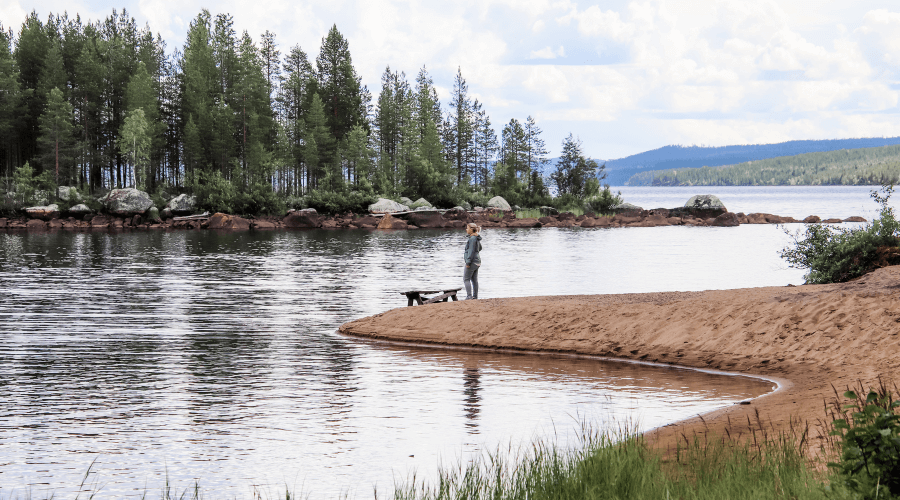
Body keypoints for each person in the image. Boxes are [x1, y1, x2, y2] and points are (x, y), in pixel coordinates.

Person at [463, 223, 482, 300]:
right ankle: (475, 296)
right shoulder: (476, 238)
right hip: (477, 261)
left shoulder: (472, 239)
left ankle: (469, 296)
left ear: (471, 229)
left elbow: (470, 251)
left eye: (467, 228)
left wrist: (468, 262)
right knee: (474, 280)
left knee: (466, 279)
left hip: (472, 261)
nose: (466, 230)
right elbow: (480, 248)